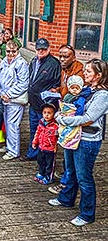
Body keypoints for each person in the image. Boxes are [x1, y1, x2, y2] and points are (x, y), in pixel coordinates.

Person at [49, 59, 108, 227]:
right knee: (71, 170)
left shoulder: (102, 95)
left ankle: (87, 213)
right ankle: (66, 198)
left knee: (84, 177)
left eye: (89, 71)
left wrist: (64, 119)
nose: (85, 73)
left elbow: (88, 119)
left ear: (99, 75)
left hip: (87, 140)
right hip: (73, 137)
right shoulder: (87, 90)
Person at [48, 45, 84, 195]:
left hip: (73, 117)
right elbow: (65, 89)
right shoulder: (64, 69)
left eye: (66, 56)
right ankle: (65, 176)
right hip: (63, 111)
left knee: (69, 149)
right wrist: (58, 91)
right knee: (65, 147)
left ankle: (65, 184)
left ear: (73, 57)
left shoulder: (78, 72)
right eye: (60, 56)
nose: (62, 59)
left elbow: (76, 93)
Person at [26, 38, 61, 160]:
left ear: (49, 49)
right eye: (38, 49)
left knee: (45, 132)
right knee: (34, 129)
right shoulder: (33, 61)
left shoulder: (54, 64)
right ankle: (33, 151)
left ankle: (42, 154)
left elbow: (56, 85)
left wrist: (50, 102)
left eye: (44, 49)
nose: (41, 51)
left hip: (45, 105)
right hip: (33, 102)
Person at [0, 41, 29, 160]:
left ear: (18, 51)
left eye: (13, 51)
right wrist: (0, 91)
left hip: (15, 99)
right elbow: (1, 78)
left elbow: (23, 84)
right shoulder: (5, 61)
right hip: (4, 97)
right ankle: (9, 145)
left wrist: (9, 94)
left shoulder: (21, 63)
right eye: (8, 51)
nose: (10, 54)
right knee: (7, 123)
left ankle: (13, 151)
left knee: (13, 125)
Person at [32, 103, 59, 185]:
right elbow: (38, 133)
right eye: (45, 112)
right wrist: (35, 142)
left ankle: (48, 177)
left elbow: (58, 136)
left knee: (49, 164)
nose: (46, 115)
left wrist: (55, 146)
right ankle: (41, 173)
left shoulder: (55, 125)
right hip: (41, 147)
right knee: (40, 161)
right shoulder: (41, 123)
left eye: (49, 113)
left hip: (50, 149)